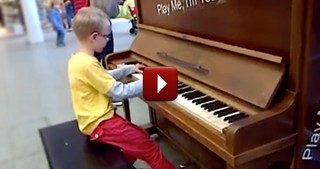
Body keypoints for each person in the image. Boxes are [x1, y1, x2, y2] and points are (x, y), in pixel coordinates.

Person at [68, 7, 176, 169]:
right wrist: (152, 81)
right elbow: (120, 92)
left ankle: (120, 164)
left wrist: (129, 69)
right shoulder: (89, 64)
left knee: (141, 136)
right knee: (150, 148)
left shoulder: (78, 59)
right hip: (102, 124)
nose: (108, 40)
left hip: (95, 122)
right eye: (107, 36)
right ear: (94, 37)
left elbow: (103, 76)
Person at [90, 0, 123, 69]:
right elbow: (114, 11)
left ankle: (99, 70)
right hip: (102, 20)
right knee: (106, 53)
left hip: (93, 20)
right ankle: (105, 70)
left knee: (96, 53)